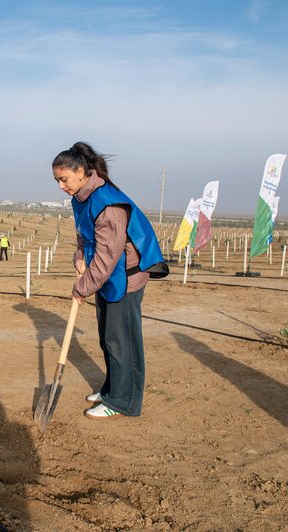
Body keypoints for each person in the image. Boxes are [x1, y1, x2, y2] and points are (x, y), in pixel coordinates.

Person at [52, 142, 168, 419]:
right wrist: (79, 257)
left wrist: (82, 288)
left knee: (121, 340)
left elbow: (108, 255)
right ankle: (111, 388)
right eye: (57, 180)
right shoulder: (80, 198)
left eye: (63, 179)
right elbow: (84, 234)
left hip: (126, 276)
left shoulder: (108, 203)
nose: (61, 186)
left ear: (80, 172)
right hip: (105, 275)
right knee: (108, 338)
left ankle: (122, 401)